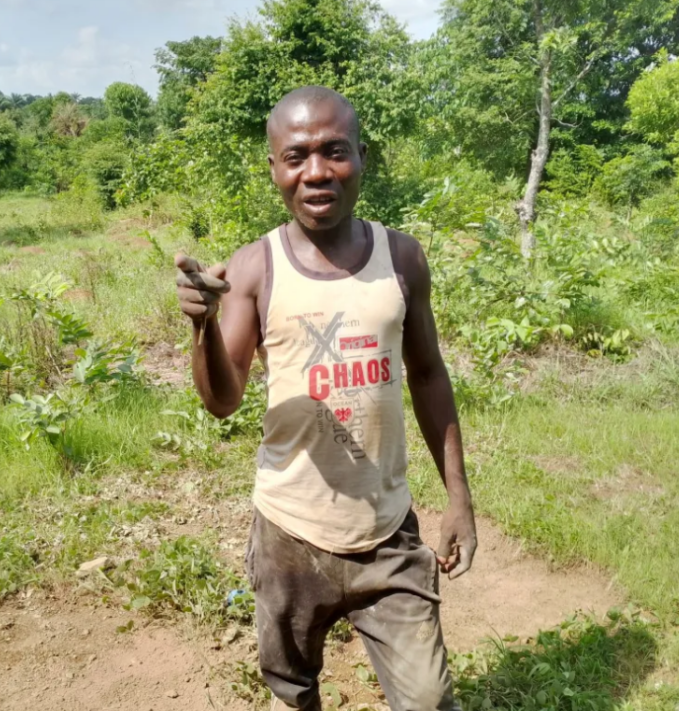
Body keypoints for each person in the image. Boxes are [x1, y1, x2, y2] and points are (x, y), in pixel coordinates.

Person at [174, 85, 476, 711]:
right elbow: (222, 401)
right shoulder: (256, 268)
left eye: (334, 152)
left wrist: (458, 497)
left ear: (362, 156)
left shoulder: (402, 258)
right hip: (290, 531)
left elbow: (427, 374)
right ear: (274, 168)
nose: (316, 172)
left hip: (387, 533)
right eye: (296, 156)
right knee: (291, 685)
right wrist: (203, 325)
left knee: (428, 700)